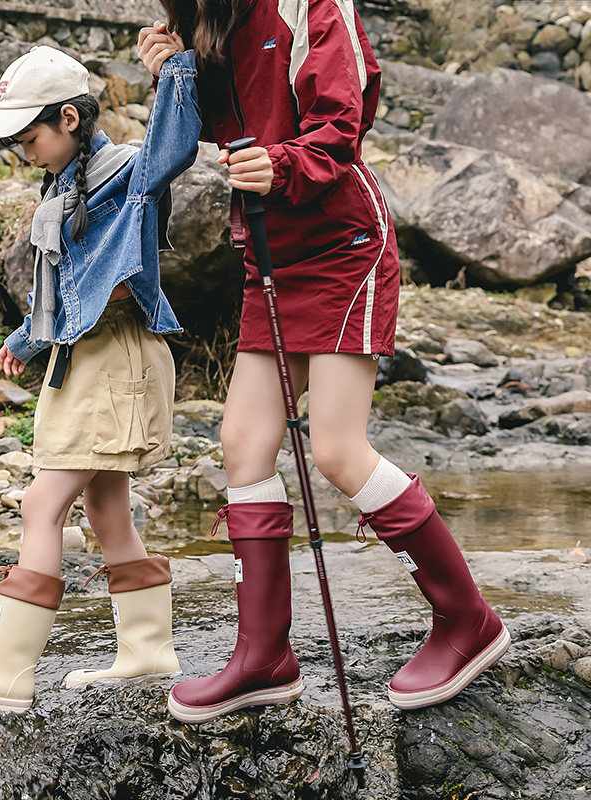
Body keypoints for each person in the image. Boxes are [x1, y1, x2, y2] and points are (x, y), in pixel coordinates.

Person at [138, 1, 510, 723]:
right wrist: (176, 74)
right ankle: (264, 658)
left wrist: (277, 164)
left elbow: (340, 125)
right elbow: (227, 131)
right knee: (243, 444)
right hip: (269, 247)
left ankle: (468, 621)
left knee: (338, 451)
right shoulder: (208, 19)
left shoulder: (308, 4)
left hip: (342, 242)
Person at [0, 42, 202, 712]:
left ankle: (5, 673)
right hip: (87, 356)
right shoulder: (61, 185)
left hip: (117, 356)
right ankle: (148, 653)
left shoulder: (128, 174)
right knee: (104, 507)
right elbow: (71, 285)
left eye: (30, 134)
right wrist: (23, 338)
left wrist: (176, 63)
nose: (23, 150)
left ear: (70, 118)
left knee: (42, 504)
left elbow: (176, 143)